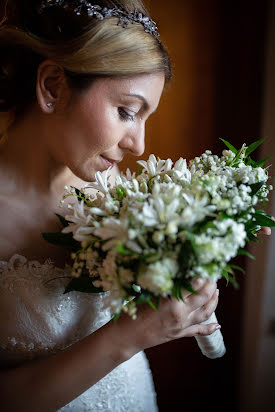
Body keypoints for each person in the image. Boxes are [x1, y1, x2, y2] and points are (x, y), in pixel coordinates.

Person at [0, 1, 223, 411]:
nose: (138, 145)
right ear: (53, 86)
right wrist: (131, 335)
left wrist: (200, 251)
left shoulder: (110, 188)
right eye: (126, 111)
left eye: (144, 117)